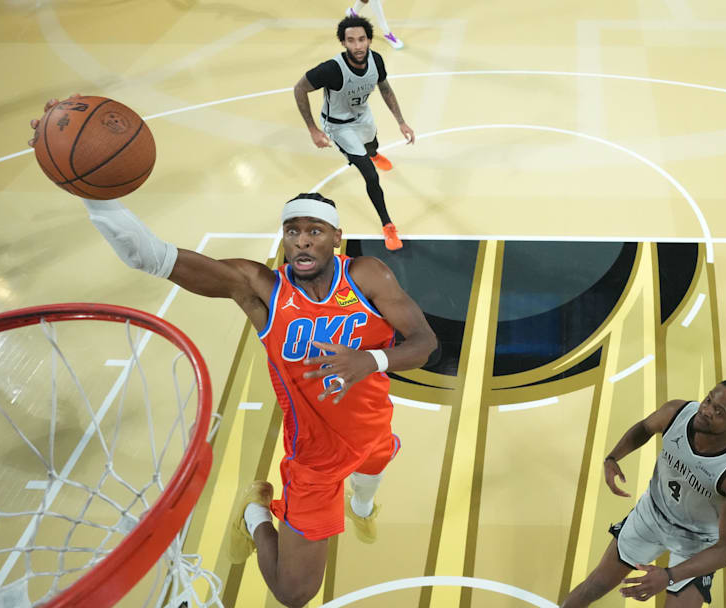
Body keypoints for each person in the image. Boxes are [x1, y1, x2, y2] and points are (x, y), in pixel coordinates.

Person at [29, 98, 437, 608]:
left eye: (315, 231)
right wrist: (92, 195)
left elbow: (425, 344)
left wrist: (369, 361)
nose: (303, 241)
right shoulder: (260, 287)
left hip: (373, 423)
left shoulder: (368, 275)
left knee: (376, 465)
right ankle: (255, 514)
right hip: (313, 460)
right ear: (283, 240)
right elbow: (150, 257)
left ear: (338, 237)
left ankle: (363, 505)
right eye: (293, 231)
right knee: (294, 593)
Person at [561, 381, 726, 608]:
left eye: (719, 412)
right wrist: (613, 458)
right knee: (595, 585)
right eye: (708, 401)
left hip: (697, 541)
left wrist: (669, 575)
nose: (706, 411)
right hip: (652, 513)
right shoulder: (675, 413)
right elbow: (644, 428)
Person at [294, 15, 416, 251]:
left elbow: (385, 89)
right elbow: (299, 88)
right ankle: (388, 225)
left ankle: (373, 153)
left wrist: (402, 122)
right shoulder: (331, 70)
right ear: (343, 43)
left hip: (363, 116)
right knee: (371, 176)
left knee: (372, 143)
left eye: (361, 39)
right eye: (351, 41)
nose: (357, 46)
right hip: (339, 125)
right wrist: (312, 129)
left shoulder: (376, 60)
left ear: (369, 40)